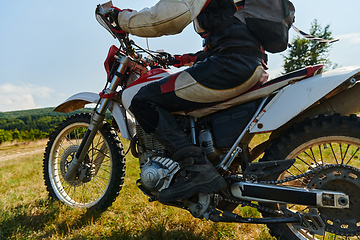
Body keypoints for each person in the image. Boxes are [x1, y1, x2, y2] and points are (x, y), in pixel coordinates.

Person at [109, 0, 268, 202]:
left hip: (231, 65)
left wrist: (119, 18)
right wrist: (177, 59)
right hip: (245, 64)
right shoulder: (231, 17)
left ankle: (197, 170)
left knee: (143, 100)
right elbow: (223, 43)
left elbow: (166, 17)